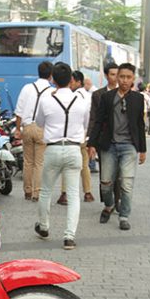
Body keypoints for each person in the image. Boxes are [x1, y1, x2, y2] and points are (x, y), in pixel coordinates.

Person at [34, 62, 90, 250]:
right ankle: (69, 237)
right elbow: (85, 124)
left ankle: (44, 226)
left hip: (53, 149)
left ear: (53, 79)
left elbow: (39, 122)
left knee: (46, 191)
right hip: (74, 149)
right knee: (73, 194)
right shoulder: (81, 101)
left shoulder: (46, 100)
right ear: (71, 79)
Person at [87, 63, 146, 231]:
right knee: (105, 183)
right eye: (122, 77)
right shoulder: (107, 97)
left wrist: (143, 149)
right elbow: (98, 122)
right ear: (117, 77)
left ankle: (124, 216)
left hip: (129, 146)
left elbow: (140, 125)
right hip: (109, 146)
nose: (125, 80)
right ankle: (109, 204)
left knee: (126, 183)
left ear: (133, 79)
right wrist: (91, 144)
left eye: (128, 77)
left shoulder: (138, 98)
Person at [14, 61, 53, 201]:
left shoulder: (27, 88)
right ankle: (37, 192)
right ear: (51, 75)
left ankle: (28, 191)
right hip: (42, 128)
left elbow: (19, 111)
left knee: (28, 161)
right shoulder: (51, 92)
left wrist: (18, 129)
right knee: (39, 162)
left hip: (27, 127)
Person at [56, 70, 94, 205]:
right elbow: (89, 118)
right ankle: (88, 193)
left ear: (79, 82)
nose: (70, 84)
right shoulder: (88, 96)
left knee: (67, 164)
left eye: (71, 81)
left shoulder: (74, 96)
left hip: (72, 135)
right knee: (84, 165)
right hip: (84, 135)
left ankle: (64, 194)